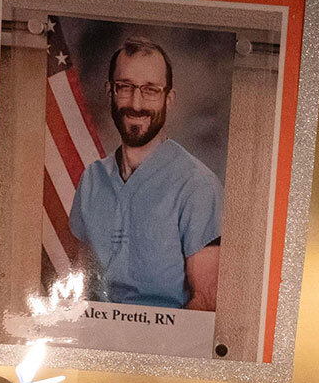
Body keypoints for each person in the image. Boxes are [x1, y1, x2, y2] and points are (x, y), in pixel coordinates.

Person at [68, 37, 223, 311]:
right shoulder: (91, 180)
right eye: (125, 87)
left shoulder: (197, 186)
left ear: (169, 99)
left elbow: (207, 301)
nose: (136, 104)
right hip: (95, 340)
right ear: (109, 92)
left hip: (163, 344)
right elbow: (79, 285)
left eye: (150, 90)